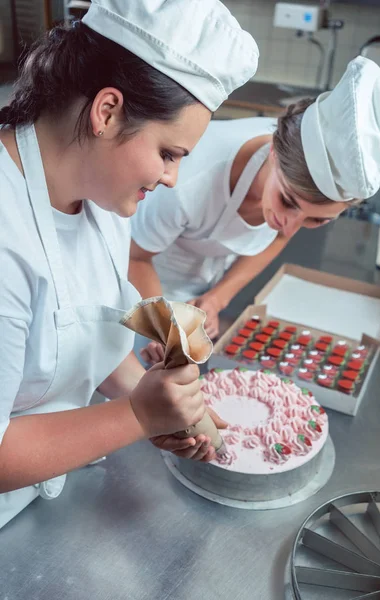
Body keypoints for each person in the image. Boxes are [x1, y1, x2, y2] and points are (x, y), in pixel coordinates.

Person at [0, 0, 259, 528]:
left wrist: (153, 403)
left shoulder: (102, 198)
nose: (172, 179)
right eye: (169, 153)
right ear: (107, 111)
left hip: (44, 498)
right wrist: (137, 416)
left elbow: (84, 337)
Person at [129, 57, 380, 364]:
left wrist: (217, 298)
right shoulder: (189, 182)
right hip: (141, 287)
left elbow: (278, 237)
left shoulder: (291, 204)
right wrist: (161, 323)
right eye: (288, 201)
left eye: (316, 220)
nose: (290, 227)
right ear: (273, 154)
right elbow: (135, 256)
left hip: (199, 289)